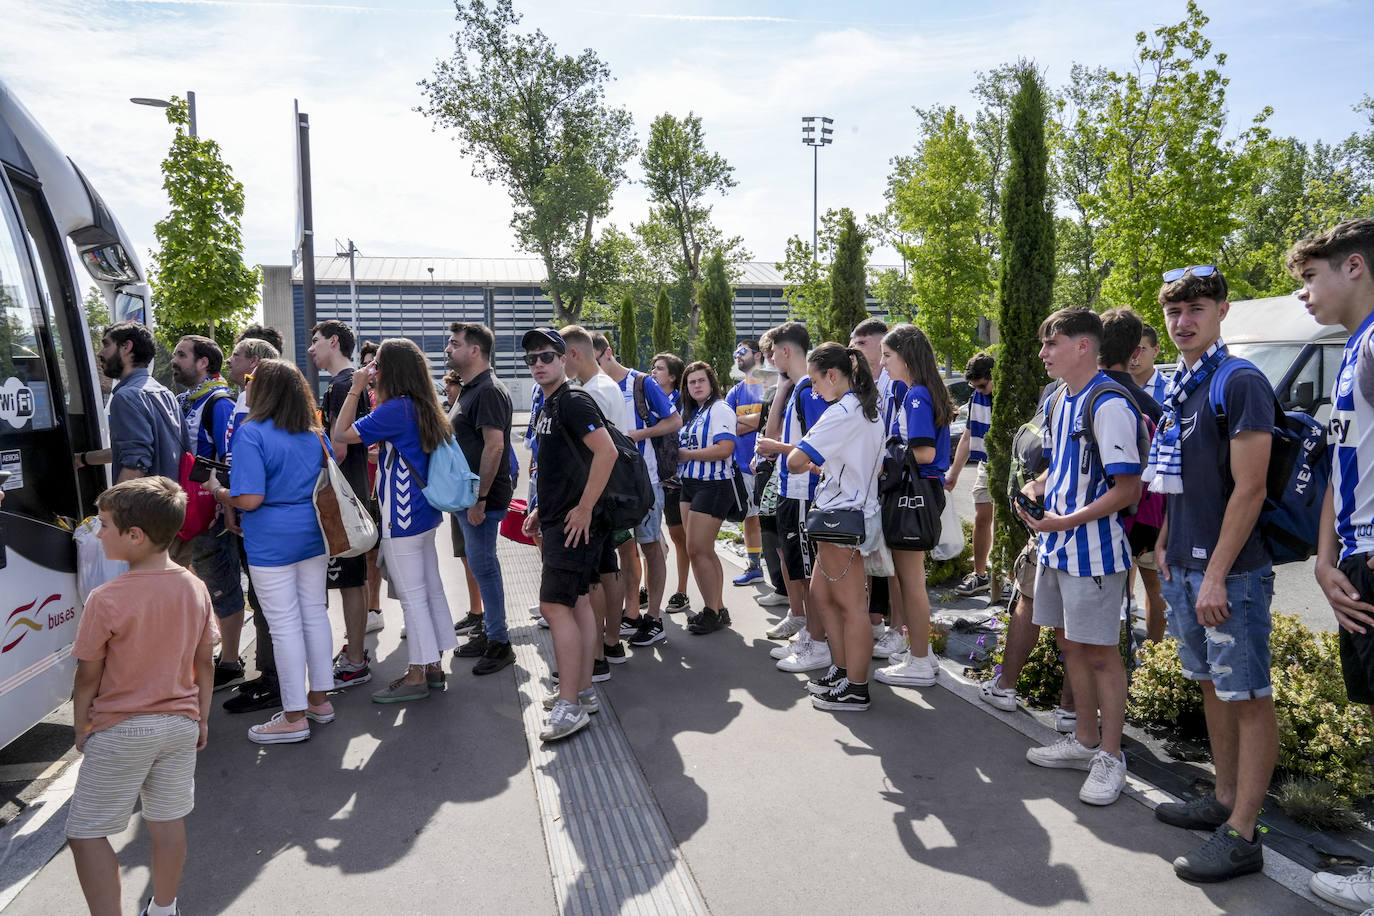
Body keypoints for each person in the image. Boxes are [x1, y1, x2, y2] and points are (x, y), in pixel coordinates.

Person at [1143, 266, 1279, 881]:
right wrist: (1170, 542)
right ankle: (1223, 798)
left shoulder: (1239, 381)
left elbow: (1249, 490)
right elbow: (1181, 481)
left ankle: (1244, 833)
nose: (1183, 321)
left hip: (1232, 574)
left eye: (1196, 308)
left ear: (1224, 311)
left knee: (1248, 697)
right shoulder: (1184, 383)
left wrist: (1218, 573)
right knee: (1212, 684)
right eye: (1174, 312)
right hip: (1188, 565)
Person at [67, 477, 214, 916]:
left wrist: (81, 725)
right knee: (167, 822)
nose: (97, 533)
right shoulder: (194, 586)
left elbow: (88, 674)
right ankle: (164, 908)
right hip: (180, 726)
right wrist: (201, 719)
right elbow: (204, 662)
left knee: (87, 832)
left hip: (121, 729)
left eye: (105, 525)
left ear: (135, 536)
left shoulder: (106, 598)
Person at [1016, 308, 1142, 809]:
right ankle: (1085, 740)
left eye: (1053, 343)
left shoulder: (1108, 402)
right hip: (1058, 547)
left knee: (1101, 654)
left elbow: (1128, 488)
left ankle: (1111, 756)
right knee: (1070, 645)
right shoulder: (1061, 400)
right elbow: (1063, 468)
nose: (1043, 353)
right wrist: (1036, 485)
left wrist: (1064, 522)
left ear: (1084, 347)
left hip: (1092, 552)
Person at [1295, 220, 1374, 911]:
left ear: (1354, 267)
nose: (1304, 294)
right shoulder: (1352, 348)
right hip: (1352, 559)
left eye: (1311, 278)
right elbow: (1337, 471)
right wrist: (1324, 560)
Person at [204, 359, 337, 744]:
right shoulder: (314, 433)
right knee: (314, 614)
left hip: (271, 539)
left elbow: (250, 498)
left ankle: (294, 716)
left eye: (250, 381)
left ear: (260, 390)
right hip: (313, 533)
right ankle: (319, 701)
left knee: (283, 625)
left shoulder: (253, 433)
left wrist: (218, 491)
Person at [333, 339, 458, 703]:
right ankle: (433, 666)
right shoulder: (420, 404)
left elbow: (342, 433)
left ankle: (417, 673)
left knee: (412, 595)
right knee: (429, 588)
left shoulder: (397, 409)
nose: (373, 373)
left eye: (378, 367)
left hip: (402, 517)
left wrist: (356, 388)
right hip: (423, 514)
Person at [521, 327, 618, 741]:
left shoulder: (573, 401)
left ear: (565, 358)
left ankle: (570, 705)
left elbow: (607, 452)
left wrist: (583, 508)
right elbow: (568, 466)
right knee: (577, 604)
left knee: (553, 607)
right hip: (561, 520)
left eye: (546, 356)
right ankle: (581, 691)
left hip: (575, 526)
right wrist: (542, 510)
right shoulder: (550, 404)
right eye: (532, 359)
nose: (538, 364)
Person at [787, 344, 884, 711]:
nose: (813, 390)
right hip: (850, 512)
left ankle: (856, 687)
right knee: (823, 597)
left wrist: (813, 459)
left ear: (831, 374)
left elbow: (797, 460)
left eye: (814, 381)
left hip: (840, 515)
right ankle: (844, 671)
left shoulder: (841, 411)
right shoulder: (865, 406)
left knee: (851, 607)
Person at [874, 324, 953, 689]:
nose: (883, 362)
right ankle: (921, 653)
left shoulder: (916, 395)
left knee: (911, 583)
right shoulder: (922, 391)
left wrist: (887, 456)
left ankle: (919, 659)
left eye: (888, 355)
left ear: (906, 355)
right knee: (911, 582)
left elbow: (924, 453)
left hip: (914, 491)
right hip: (924, 490)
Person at [169, 335, 245, 689]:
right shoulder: (186, 401)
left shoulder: (219, 403)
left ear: (203, 363)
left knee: (222, 585)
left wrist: (224, 504)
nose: (174, 360)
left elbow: (231, 458)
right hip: (189, 509)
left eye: (181, 355)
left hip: (210, 510)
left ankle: (230, 662)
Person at [308, 320, 379, 692]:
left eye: (316, 341)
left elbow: (337, 447)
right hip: (352, 491)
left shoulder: (341, 386)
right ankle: (355, 651)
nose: (311, 350)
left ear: (334, 342)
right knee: (355, 578)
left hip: (342, 498)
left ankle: (355, 659)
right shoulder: (348, 384)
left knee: (350, 580)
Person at [598, 338, 682, 649]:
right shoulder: (597, 385)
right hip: (613, 484)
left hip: (645, 481)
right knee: (625, 549)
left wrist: (639, 434)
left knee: (650, 547)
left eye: (597, 361)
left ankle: (655, 618)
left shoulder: (641, 382)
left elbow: (675, 420)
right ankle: (632, 613)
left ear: (608, 353)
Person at [445, 321, 517, 675]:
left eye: (454, 343)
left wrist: (481, 499)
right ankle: (489, 632)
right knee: (478, 565)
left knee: (485, 567)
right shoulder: (471, 389)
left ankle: (500, 643)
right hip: (468, 499)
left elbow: (496, 445)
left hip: (481, 501)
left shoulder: (488, 390)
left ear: (475, 351)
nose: (448, 349)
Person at [220, 333, 286, 715]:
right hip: (268, 522)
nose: (230, 361)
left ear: (256, 366)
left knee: (269, 603)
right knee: (271, 604)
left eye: (236, 355)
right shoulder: (284, 415)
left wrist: (224, 498)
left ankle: (277, 682)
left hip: (261, 522)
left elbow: (246, 473)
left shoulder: (255, 412)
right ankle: (277, 679)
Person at [560, 326, 629, 674]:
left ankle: (598, 655)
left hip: (595, 495)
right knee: (606, 567)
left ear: (573, 354)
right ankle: (610, 643)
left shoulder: (594, 392)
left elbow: (597, 454)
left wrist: (583, 504)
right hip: (606, 493)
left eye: (559, 356)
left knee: (593, 577)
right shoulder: (601, 386)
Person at [1098, 308, 1166, 643]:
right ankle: (1150, 659)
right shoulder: (1153, 407)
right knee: (1153, 587)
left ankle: (1118, 649)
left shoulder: (1076, 394)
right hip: (1148, 518)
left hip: (1098, 519)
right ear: (1135, 351)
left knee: (1112, 591)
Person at [849, 318, 905, 654]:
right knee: (873, 556)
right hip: (870, 481)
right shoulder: (862, 383)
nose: (854, 349)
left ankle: (900, 629)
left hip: (894, 481)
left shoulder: (896, 383)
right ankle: (878, 622)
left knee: (897, 563)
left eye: (861, 343)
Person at [75, 321, 182, 483]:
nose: (100, 353)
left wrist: (113, 506)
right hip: (169, 503)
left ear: (126, 347)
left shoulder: (126, 397)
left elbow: (136, 463)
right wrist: (83, 458)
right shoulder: (166, 394)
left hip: (142, 505)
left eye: (106, 345)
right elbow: (129, 450)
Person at [676, 361, 739, 635]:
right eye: (691, 382)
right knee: (704, 550)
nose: (697, 385)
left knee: (697, 550)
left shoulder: (720, 409)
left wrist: (687, 455)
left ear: (711, 383)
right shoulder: (693, 412)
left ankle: (711, 612)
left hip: (713, 484)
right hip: (689, 484)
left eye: (701, 380)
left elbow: (725, 448)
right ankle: (718, 607)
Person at [946, 352, 996, 598]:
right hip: (987, 464)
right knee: (981, 517)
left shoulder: (1009, 394)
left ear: (992, 377)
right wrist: (953, 474)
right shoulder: (977, 398)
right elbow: (967, 437)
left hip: (1010, 467)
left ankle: (1008, 580)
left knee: (1008, 523)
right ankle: (981, 575)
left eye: (982, 385)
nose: (979, 390)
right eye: (974, 386)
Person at [442, 369, 486, 637]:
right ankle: (476, 612)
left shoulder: (470, 405)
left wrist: (479, 498)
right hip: (460, 492)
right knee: (466, 555)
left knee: (475, 557)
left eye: (450, 385)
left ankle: (481, 617)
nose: (446, 390)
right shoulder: (456, 407)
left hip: (469, 493)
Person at [650, 352, 693, 614]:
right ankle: (647, 587)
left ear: (673, 376)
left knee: (679, 537)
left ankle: (682, 591)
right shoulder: (649, 399)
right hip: (654, 478)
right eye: (653, 368)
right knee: (650, 537)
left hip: (677, 482)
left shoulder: (683, 405)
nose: (653, 372)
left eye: (659, 369)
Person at [726, 340, 765, 585]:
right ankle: (754, 567)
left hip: (767, 463)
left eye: (742, 351)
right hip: (741, 465)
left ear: (758, 356)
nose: (738, 356)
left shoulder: (772, 382)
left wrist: (755, 420)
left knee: (771, 520)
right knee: (750, 517)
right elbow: (727, 424)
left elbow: (770, 417)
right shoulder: (736, 390)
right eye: (735, 352)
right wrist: (756, 419)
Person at [1130, 323, 1170, 404]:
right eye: (1129, 349)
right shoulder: (1114, 388)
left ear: (1155, 351)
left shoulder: (1170, 390)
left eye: (1141, 349)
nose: (1134, 356)